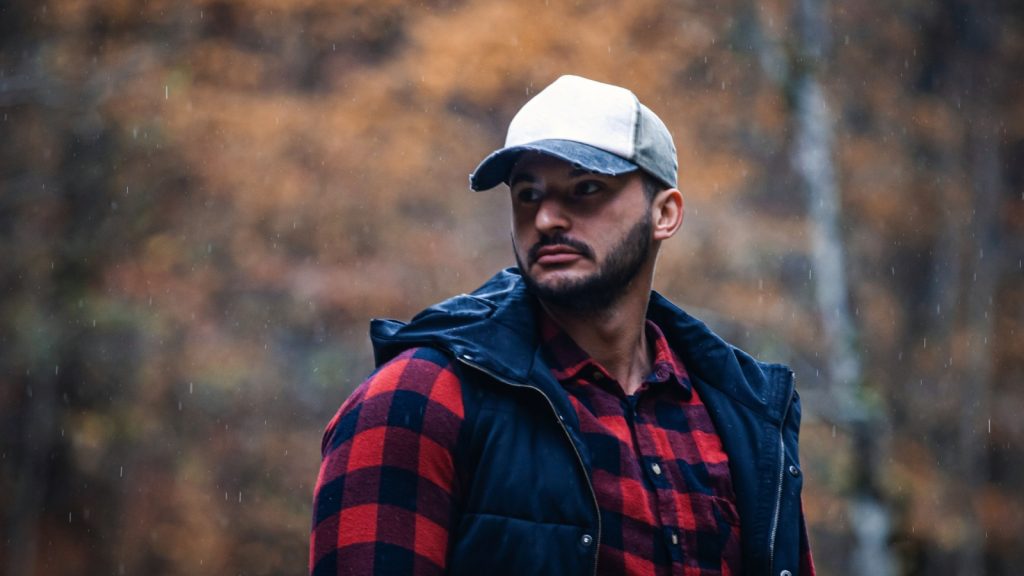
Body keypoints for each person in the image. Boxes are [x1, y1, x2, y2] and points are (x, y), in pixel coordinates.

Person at [310, 75, 814, 576]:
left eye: (586, 189)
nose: (547, 218)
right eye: (528, 195)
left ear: (664, 213)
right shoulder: (418, 398)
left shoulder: (744, 418)